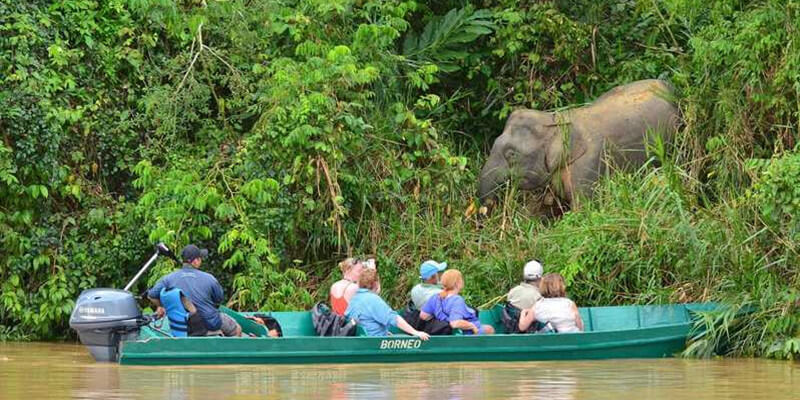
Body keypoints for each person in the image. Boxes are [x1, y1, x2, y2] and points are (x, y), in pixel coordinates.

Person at [147, 244, 242, 337]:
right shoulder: (209, 278)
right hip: (209, 323)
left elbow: (151, 296)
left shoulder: (168, 279)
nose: (201, 261)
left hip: (183, 326)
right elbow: (218, 300)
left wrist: (161, 306)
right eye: (200, 258)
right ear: (195, 261)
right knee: (237, 329)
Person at [345, 269, 430, 340]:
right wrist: (416, 332)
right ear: (376, 284)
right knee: (408, 338)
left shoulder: (355, 298)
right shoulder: (373, 299)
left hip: (363, 338)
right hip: (375, 341)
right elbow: (394, 319)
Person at [419, 269, 495, 335]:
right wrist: (472, 326)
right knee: (489, 329)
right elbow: (455, 323)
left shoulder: (436, 297)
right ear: (457, 283)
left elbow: (423, 315)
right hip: (463, 333)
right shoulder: (456, 300)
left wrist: (442, 319)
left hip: (448, 330)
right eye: (461, 279)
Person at [518, 273, 584, 333]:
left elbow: (522, 327)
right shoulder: (569, 304)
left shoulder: (538, 306)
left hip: (546, 343)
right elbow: (580, 326)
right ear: (562, 287)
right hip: (572, 341)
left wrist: (523, 312)